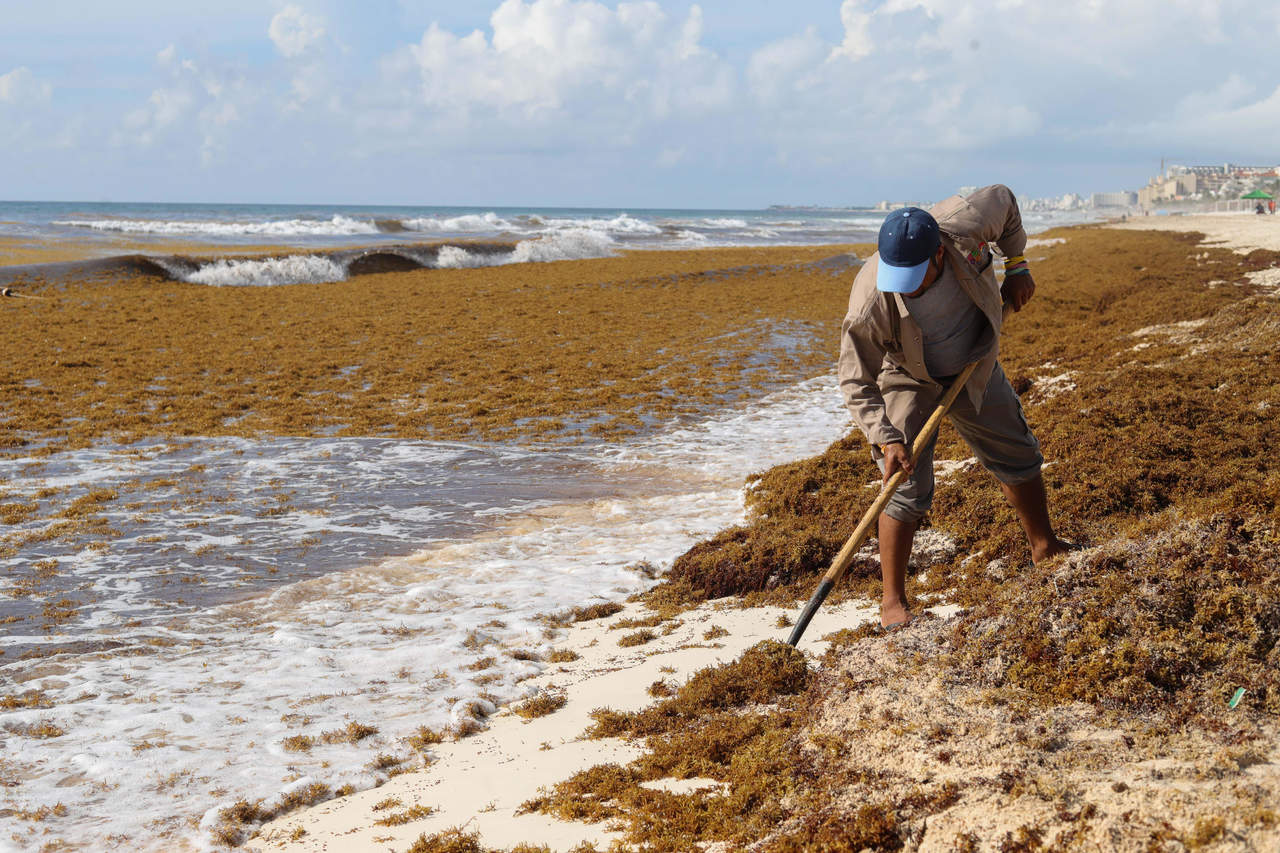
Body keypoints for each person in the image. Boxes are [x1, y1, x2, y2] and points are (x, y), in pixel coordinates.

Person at [837, 185, 1073, 630]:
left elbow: (1006, 202)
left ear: (941, 254)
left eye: (916, 277)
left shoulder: (968, 219)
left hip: (973, 361)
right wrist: (886, 438)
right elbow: (855, 379)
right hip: (907, 373)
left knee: (1017, 451)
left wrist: (1017, 265)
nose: (904, 289)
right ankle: (892, 602)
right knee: (903, 485)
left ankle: (1045, 547)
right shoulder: (870, 300)